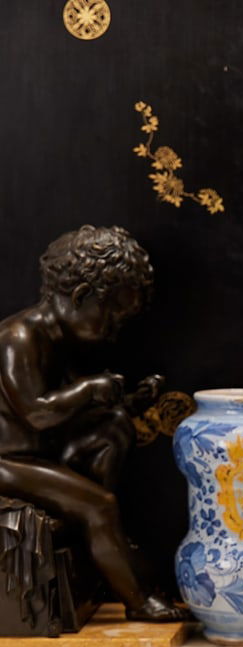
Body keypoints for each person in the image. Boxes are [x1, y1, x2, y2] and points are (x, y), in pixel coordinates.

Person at [0, 225, 188, 621]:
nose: (114, 332)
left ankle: (95, 533)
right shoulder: (19, 337)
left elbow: (70, 413)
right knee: (99, 505)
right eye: (112, 317)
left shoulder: (57, 341)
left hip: (41, 451)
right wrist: (89, 389)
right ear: (81, 295)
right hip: (9, 461)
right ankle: (137, 600)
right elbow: (36, 412)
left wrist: (128, 402)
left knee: (113, 426)